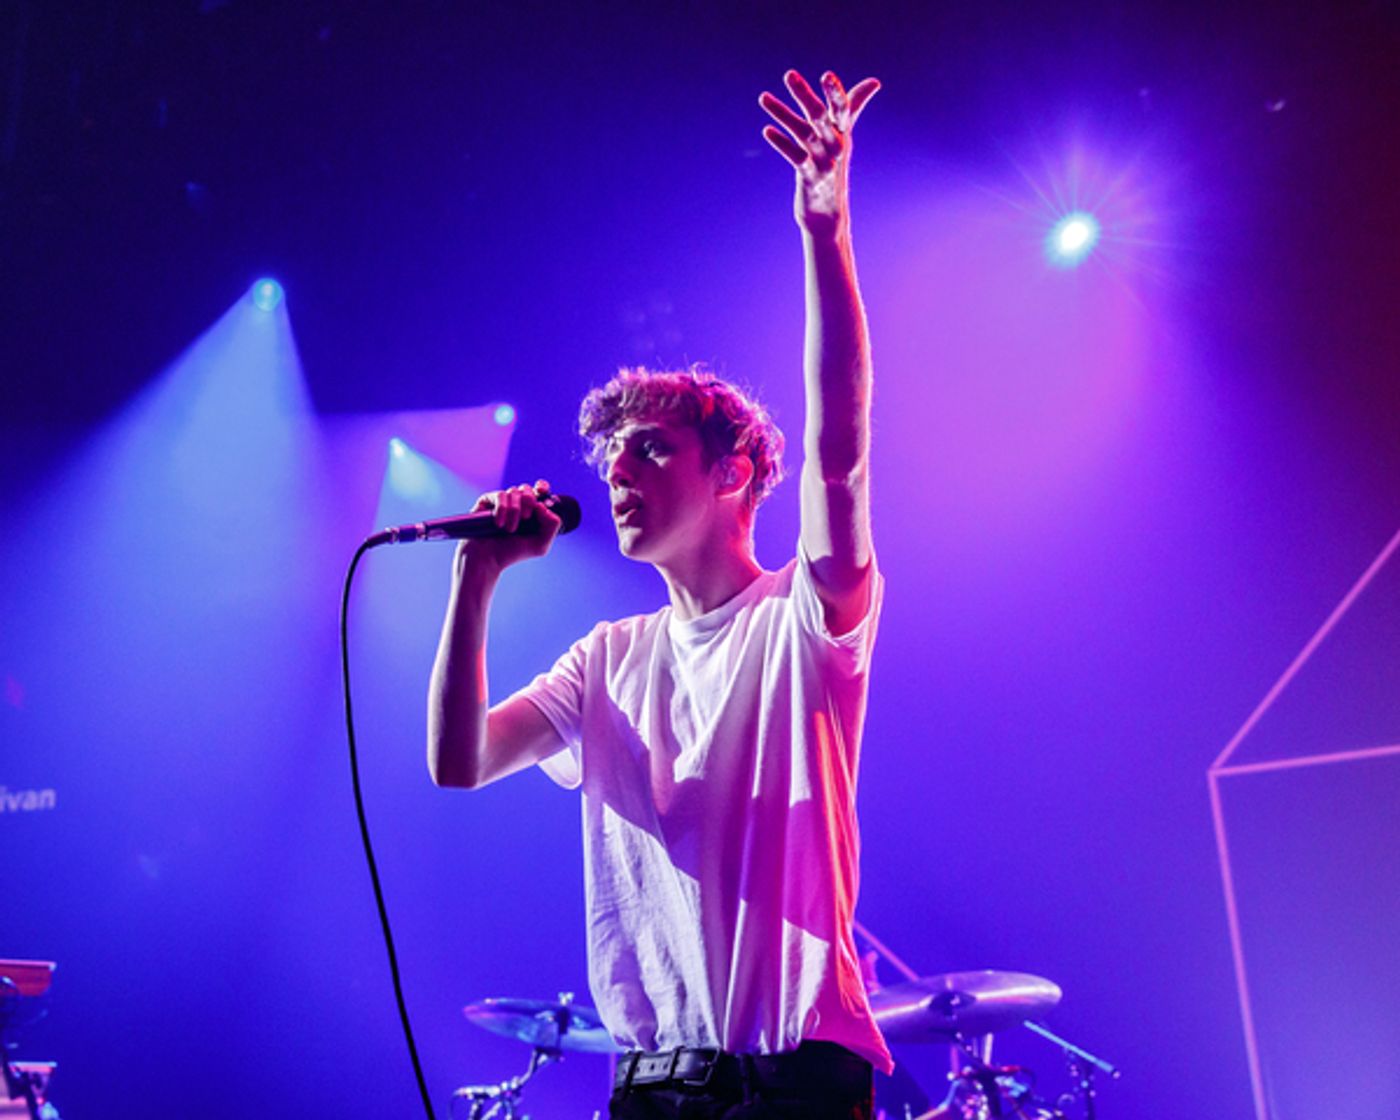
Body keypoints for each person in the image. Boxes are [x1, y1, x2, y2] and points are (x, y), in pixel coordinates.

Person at [427, 68, 888, 1119]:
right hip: (649, 1087)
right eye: (610, 457)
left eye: (649, 449)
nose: (617, 472)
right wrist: (477, 576)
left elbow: (839, 452)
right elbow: (458, 764)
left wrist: (824, 231)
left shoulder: (801, 622)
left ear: (733, 472)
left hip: (789, 1081)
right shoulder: (605, 658)